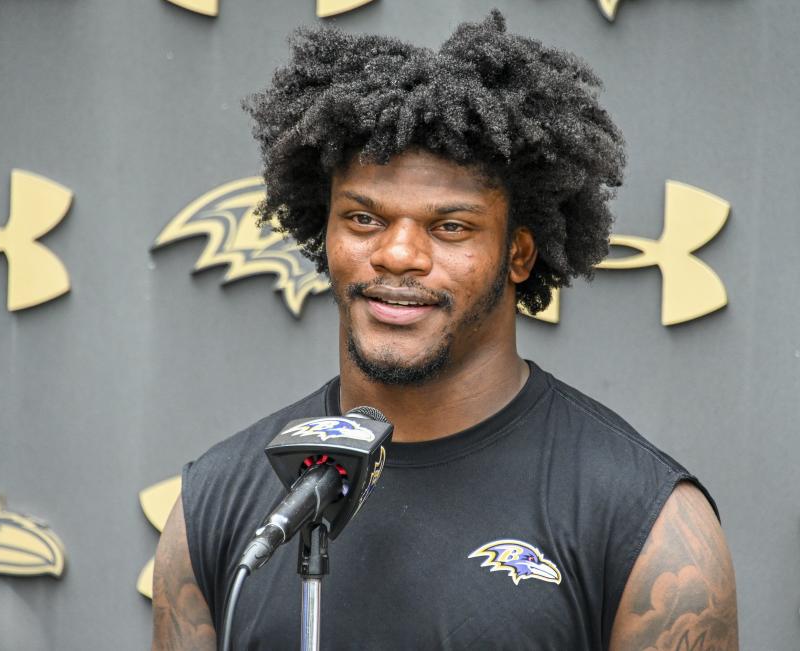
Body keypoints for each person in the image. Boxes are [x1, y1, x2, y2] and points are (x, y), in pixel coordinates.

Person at [151, 12, 738, 650]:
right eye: (363, 218)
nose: (398, 254)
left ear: (517, 254)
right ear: (324, 233)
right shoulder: (215, 500)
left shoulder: (643, 519)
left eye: (450, 226)